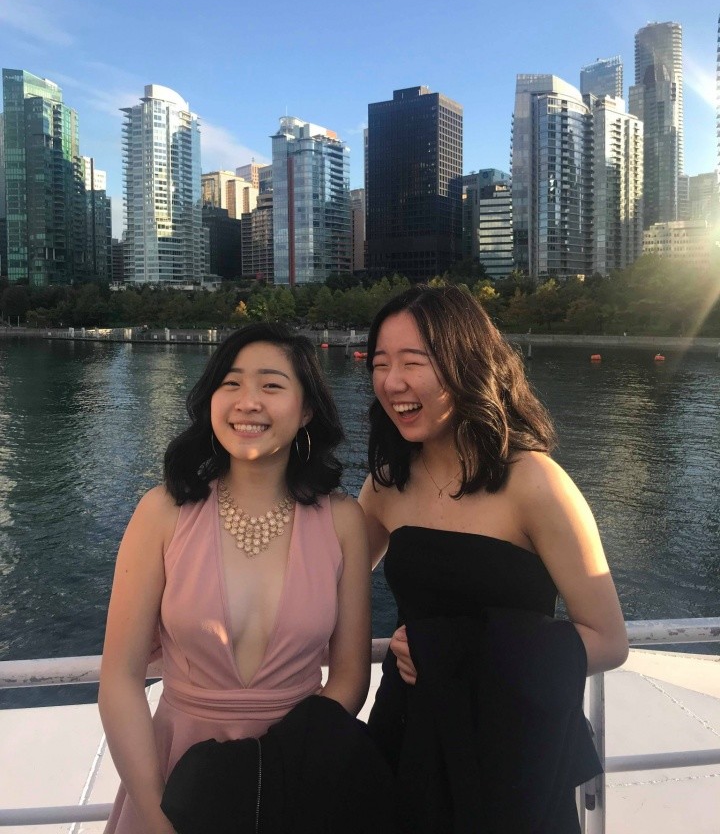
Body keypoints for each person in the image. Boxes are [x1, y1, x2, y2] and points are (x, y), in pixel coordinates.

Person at [358, 285, 629, 834]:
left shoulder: (534, 482)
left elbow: (608, 640)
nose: (392, 382)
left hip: (511, 754)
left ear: (466, 364)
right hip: (409, 738)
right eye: (380, 364)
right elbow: (324, 586)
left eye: (413, 362)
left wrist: (448, 649)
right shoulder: (387, 483)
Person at [100, 323, 371, 834]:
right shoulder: (161, 512)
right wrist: (159, 816)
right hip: (174, 780)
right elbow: (120, 679)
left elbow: (351, 675)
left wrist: (280, 769)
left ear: (306, 410)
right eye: (231, 383)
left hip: (295, 782)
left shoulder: (342, 521)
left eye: (271, 385)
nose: (248, 402)